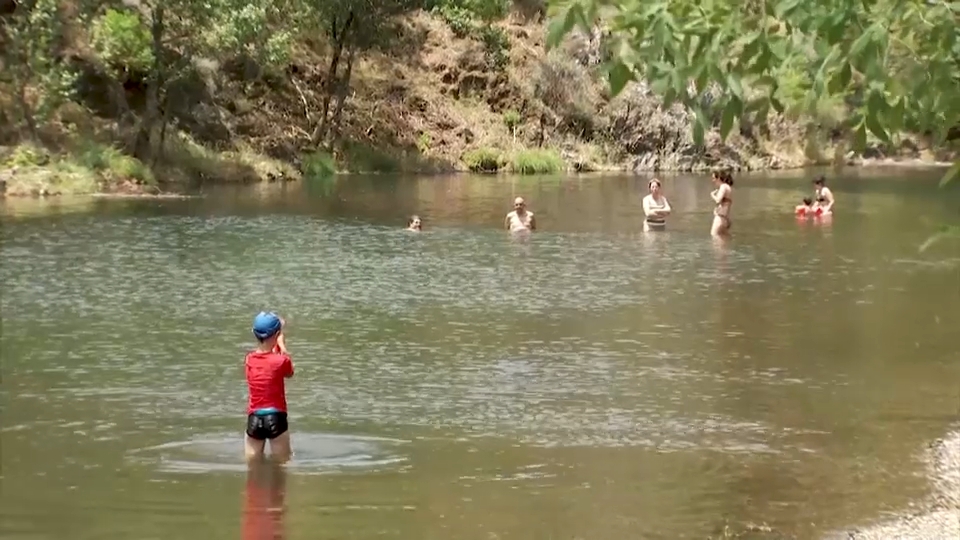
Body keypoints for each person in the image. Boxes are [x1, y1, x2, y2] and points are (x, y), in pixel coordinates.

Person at [244, 311, 294, 463]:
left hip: (254, 418)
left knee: (252, 464)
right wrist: (282, 346)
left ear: (255, 333)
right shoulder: (281, 361)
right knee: (282, 463)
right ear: (278, 334)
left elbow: (265, 364)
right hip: (276, 417)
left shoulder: (249, 359)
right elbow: (289, 372)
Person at [709, 169, 734, 236]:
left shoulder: (723, 187)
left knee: (714, 237)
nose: (713, 181)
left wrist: (712, 195)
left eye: (714, 178)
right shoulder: (728, 187)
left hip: (720, 218)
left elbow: (718, 200)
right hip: (725, 218)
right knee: (723, 240)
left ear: (719, 178)